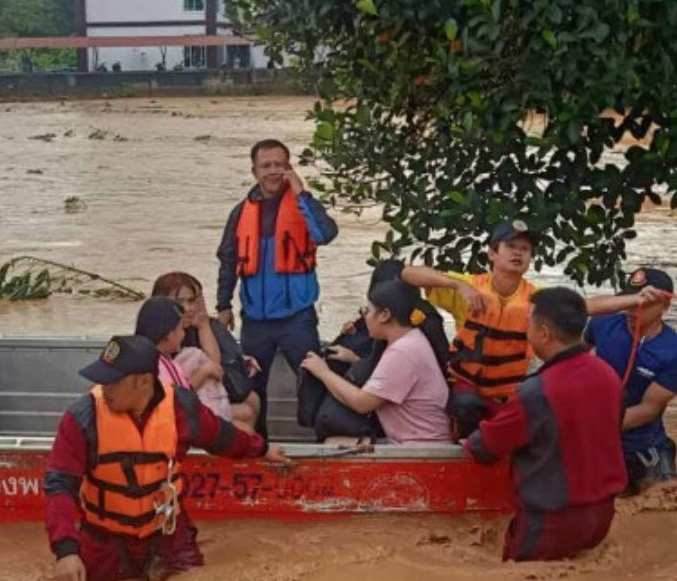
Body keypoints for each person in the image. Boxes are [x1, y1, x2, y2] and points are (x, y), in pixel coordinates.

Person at [44, 335, 288, 581]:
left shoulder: (182, 407)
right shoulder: (82, 417)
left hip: (168, 535)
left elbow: (223, 437)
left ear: (144, 382)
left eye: (113, 380)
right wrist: (65, 552)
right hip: (106, 541)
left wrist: (262, 449)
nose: (105, 387)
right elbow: (60, 485)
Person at [464, 288, 627, 562]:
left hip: (551, 523)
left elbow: (484, 448)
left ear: (543, 333)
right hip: (602, 516)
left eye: (529, 324)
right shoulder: (609, 375)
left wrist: (469, 437)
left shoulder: (537, 391)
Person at [216, 139, 339, 433]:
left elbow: (325, 234)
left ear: (289, 168)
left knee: (314, 382)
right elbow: (228, 260)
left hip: (298, 317)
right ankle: (258, 449)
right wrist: (223, 306)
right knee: (252, 389)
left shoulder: (303, 203)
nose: (273, 171)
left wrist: (302, 192)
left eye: (279, 165)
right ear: (255, 171)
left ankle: (324, 443)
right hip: (255, 321)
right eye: (266, 166)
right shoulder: (240, 212)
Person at [401, 220, 541, 435]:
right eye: (511, 247)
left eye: (524, 249)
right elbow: (408, 274)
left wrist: (614, 303)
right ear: (493, 254)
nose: (518, 254)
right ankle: (464, 442)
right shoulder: (469, 286)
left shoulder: (537, 298)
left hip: (510, 390)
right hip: (468, 387)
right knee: (467, 405)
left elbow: (582, 306)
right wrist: (457, 285)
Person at [583, 268, 677, 493]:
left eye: (644, 303)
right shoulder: (601, 323)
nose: (633, 310)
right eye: (631, 301)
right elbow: (573, 360)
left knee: (667, 503)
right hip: (594, 439)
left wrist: (594, 426)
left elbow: (648, 409)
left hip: (641, 449)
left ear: (665, 306)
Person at [299, 280, 452, 444]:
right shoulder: (410, 339)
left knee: (332, 444)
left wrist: (323, 372)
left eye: (367, 311)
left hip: (419, 446)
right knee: (335, 440)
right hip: (411, 439)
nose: (365, 317)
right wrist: (352, 359)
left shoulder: (403, 352)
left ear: (385, 315)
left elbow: (361, 403)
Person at [152, 271, 260, 431]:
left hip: (197, 397)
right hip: (177, 409)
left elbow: (216, 363)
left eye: (192, 300)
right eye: (180, 301)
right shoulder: (161, 338)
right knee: (246, 419)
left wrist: (241, 360)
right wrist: (205, 370)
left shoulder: (194, 327)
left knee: (252, 401)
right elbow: (211, 366)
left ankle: (252, 448)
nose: (187, 307)